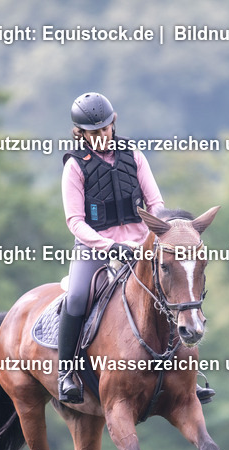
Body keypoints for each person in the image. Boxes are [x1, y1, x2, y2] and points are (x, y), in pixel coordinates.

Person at [57, 92, 163, 403]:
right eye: (93, 133)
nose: (102, 136)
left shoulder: (134, 155)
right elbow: (75, 221)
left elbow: (155, 203)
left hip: (141, 243)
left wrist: (152, 235)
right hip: (95, 247)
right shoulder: (75, 167)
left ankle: (186, 373)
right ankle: (67, 372)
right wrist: (110, 246)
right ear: (81, 134)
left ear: (113, 124)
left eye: (105, 129)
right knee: (76, 297)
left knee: (174, 287)